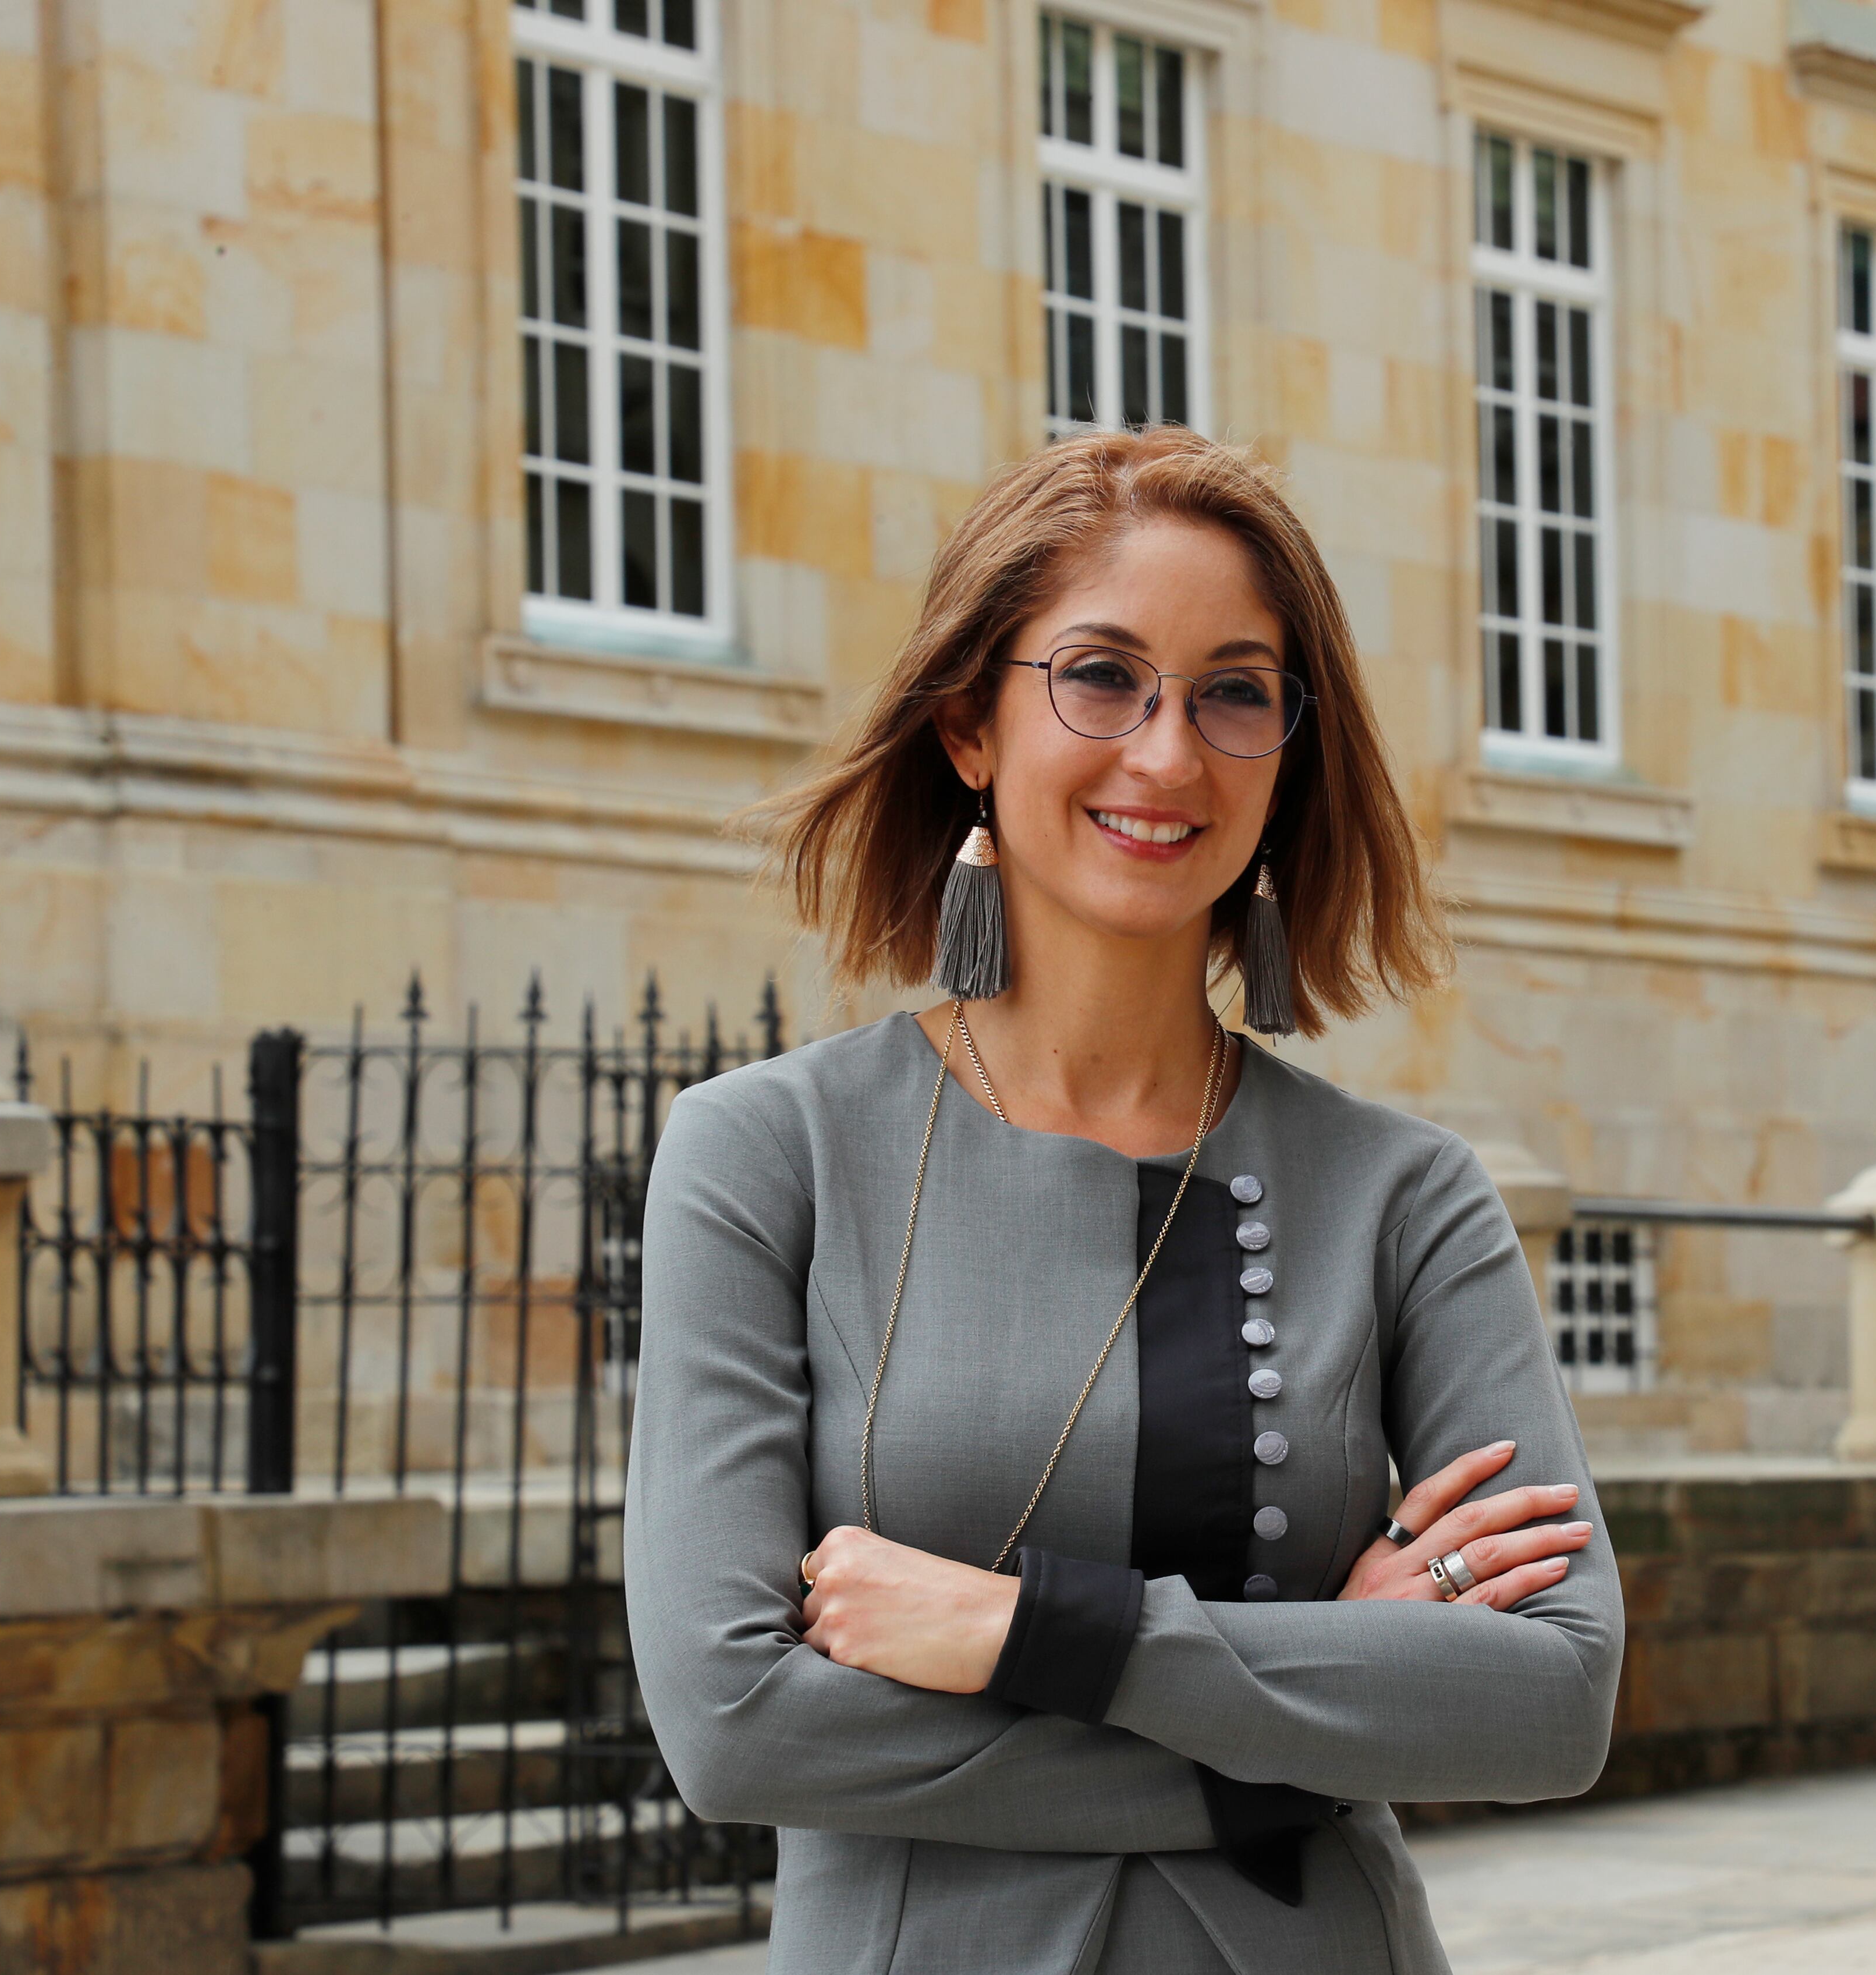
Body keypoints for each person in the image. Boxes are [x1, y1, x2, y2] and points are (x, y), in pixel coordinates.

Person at [623, 428, 1621, 1975]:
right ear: (968, 725)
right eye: (1101, 676)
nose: (1168, 755)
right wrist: (1314, 1712)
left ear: (1288, 748)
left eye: (1234, 692)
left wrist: (1032, 1636)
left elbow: (1552, 1701)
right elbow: (736, 1727)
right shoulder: (767, 1154)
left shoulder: (1404, 1198)